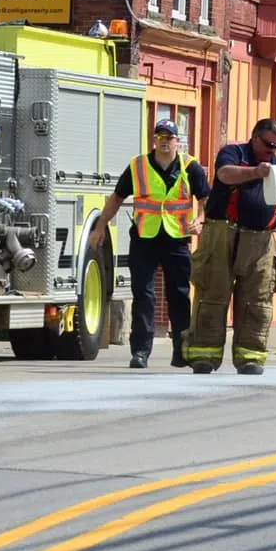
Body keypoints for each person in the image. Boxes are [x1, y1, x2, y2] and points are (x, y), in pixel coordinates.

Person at [90, 119, 210, 369]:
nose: (164, 142)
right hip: (145, 237)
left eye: (169, 137)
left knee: (178, 295)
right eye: (160, 137)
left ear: (178, 141)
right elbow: (116, 198)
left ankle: (181, 350)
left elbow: (207, 200)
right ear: (154, 140)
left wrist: (200, 220)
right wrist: (100, 226)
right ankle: (141, 352)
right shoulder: (138, 166)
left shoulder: (191, 167)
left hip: (176, 239)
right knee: (143, 295)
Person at [185, 118, 276, 375]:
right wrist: (256, 172)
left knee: (257, 299)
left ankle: (250, 358)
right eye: (267, 144)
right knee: (212, 294)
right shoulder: (233, 153)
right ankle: (204, 356)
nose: (272, 151)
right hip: (222, 233)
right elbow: (224, 174)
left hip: (261, 240)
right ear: (254, 138)